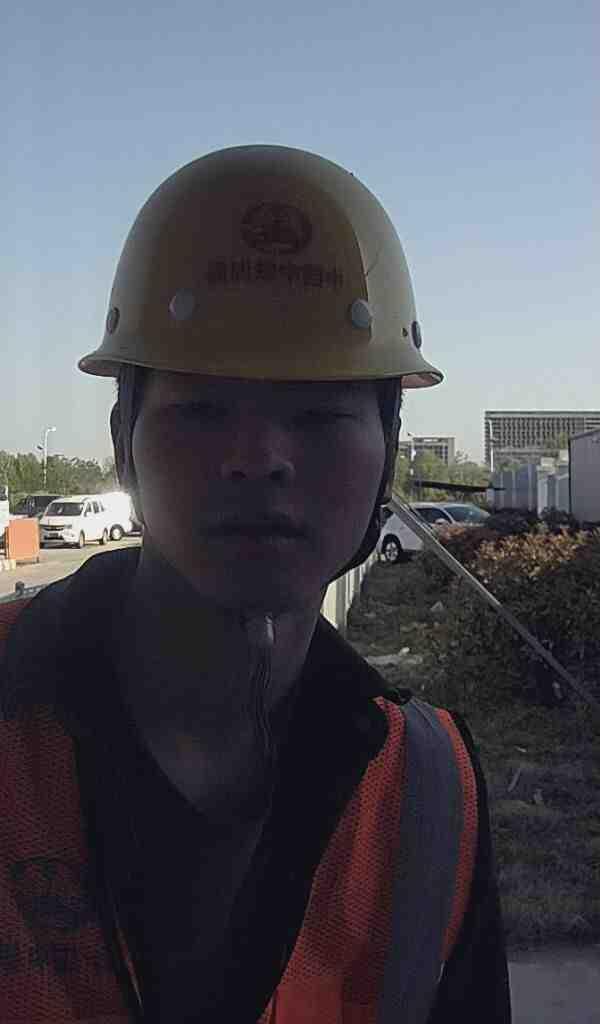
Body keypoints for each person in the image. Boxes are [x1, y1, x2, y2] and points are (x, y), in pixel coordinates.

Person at [0, 145, 511, 1023]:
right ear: (124, 441)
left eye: (318, 415)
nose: (260, 459)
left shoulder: (427, 798)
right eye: (203, 409)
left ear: (386, 450)